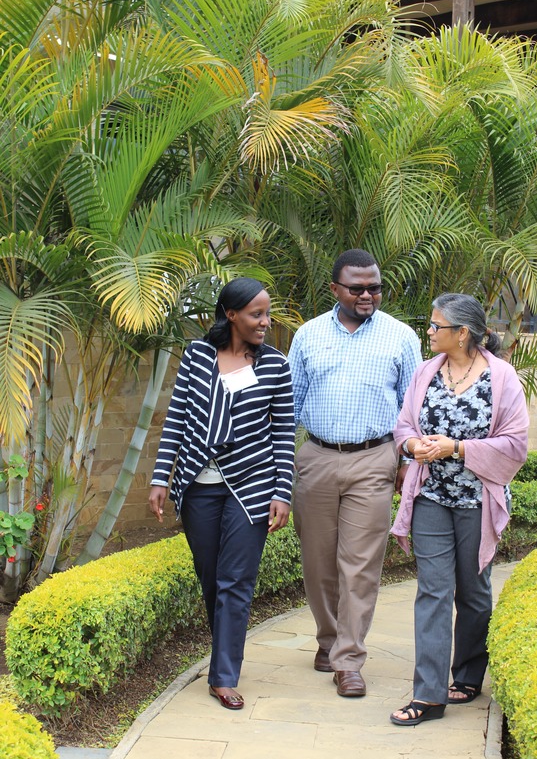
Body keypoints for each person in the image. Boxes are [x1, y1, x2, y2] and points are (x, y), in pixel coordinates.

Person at [149, 278, 295, 711]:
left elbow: (283, 433)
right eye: (256, 314)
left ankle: (223, 675)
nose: (265, 322)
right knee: (211, 577)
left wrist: (282, 492)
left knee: (236, 581)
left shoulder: (275, 365)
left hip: (252, 485)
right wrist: (161, 478)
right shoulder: (197, 356)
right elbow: (176, 418)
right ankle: (225, 651)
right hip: (197, 485)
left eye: (267, 314)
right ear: (230, 314)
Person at [389, 293, 528, 726]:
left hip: (476, 502)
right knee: (432, 590)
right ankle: (428, 695)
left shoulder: (502, 379)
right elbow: (405, 424)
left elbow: (515, 443)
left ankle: (468, 673)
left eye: (436, 326)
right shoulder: (425, 374)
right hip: (430, 496)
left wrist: (458, 448)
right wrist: (414, 445)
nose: (429, 332)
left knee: (473, 591)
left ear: (462, 333)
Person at [289, 249, 422, 698]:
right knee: (318, 562)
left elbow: (411, 408)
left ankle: (349, 659)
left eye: (375, 287)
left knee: (360, 566)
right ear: (335, 290)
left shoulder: (401, 337)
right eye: (357, 288)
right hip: (317, 458)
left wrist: (407, 462)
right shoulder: (307, 336)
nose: (367, 295)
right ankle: (327, 640)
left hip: (373, 459)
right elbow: (288, 406)